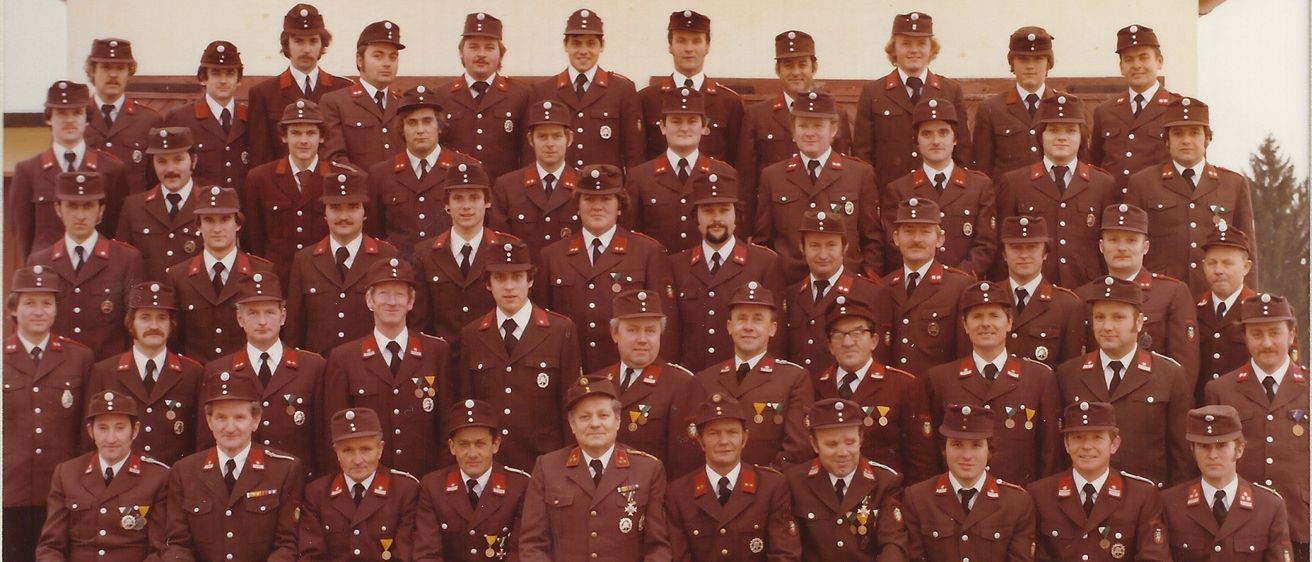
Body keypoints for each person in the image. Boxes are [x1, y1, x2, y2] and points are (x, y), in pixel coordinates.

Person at [535, 164, 676, 373]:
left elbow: (664, 325)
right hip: (571, 373)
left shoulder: (647, 251)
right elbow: (543, 327)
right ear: (578, 205)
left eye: (606, 199)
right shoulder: (552, 256)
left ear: (620, 206)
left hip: (627, 374)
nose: (597, 207)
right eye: (589, 199)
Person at [457, 239, 583, 472]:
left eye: (517, 278)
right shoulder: (473, 334)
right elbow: (469, 405)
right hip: (492, 465)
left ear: (530, 281)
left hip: (545, 462)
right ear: (488, 284)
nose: (509, 287)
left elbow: (570, 405)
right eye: (500, 279)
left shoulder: (559, 330)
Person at [322, 258, 454, 477]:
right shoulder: (345, 358)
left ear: (411, 301)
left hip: (424, 480)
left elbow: (445, 426)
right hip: (368, 481)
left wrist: (437, 480)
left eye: (400, 294)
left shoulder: (436, 352)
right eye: (383, 294)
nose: (392, 302)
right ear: (369, 300)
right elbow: (335, 432)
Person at [1059, 276, 1194, 487]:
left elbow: (1181, 458)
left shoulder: (1169, 375)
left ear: (1139, 322)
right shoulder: (1069, 374)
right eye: (1100, 317)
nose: (1107, 326)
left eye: (1118, 318)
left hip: (1148, 502)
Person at [923, 281, 1062, 485]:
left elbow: (1050, 454)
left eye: (994, 316)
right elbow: (932, 451)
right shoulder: (940, 380)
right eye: (977, 317)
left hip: (1019, 503)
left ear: (1009, 323)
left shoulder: (1039, 378)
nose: (985, 324)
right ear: (964, 324)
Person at [518, 377, 672, 562]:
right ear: (572, 424)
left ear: (617, 420)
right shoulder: (548, 467)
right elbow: (533, 545)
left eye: (603, 415)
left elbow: (658, 548)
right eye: (584, 417)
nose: (594, 424)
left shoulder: (648, 469)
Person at [1203, 293, 1310, 559]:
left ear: (1291, 333)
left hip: (1300, 522)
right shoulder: (1220, 390)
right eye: (1256, 334)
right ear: (1245, 337)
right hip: (1241, 526)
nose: (1267, 343)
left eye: (1275, 333)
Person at [3, 266, 96, 561]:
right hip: (9, 491)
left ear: (57, 310)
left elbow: (85, 429)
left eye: (47, 302)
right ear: (14, 309)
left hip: (62, 493)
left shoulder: (79, 358)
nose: (39, 311)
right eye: (30, 303)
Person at [160, 371, 304, 562]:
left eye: (239, 417)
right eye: (221, 418)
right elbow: (177, 544)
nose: (230, 428)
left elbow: (287, 545)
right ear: (209, 421)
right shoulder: (185, 471)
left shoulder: (284, 469)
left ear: (255, 420)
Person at [1124, 96, 1258, 294]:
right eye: (1178, 134)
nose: (1186, 140)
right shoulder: (1143, 183)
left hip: (1215, 295)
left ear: (1207, 139)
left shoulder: (1233, 184)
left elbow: (1248, 250)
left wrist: (1249, 300)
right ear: (1167, 141)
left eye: (1194, 133)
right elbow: (1130, 246)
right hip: (1159, 296)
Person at [199, 271, 327, 473]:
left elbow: (322, 438)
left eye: (269, 312)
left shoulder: (313, 367)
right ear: (240, 318)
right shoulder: (219, 370)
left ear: (283, 316)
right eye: (252, 313)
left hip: (298, 482)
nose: (262, 321)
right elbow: (207, 442)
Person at [754, 90, 882, 283]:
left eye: (818, 125)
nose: (810, 133)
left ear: (833, 130)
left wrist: (866, 283)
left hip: (846, 283)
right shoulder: (773, 176)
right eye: (803, 125)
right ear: (793, 130)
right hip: (790, 284)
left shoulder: (859, 174)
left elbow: (871, 239)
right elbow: (763, 242)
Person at [994, 93, 1117, 289]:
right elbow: (1001, 246)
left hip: (1086, 288)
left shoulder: (1103, 184)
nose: (1062, 137)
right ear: (1040, 136)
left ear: (1082, 137)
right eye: (1053, 130)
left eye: (1070, 131)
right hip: (1032, 290)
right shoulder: (1015, 183)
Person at [1026, 401, 1170, 562]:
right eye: (1078, 438)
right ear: (1066, 444)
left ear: (1114, 444)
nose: (1087, 446)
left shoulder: (1141, 496)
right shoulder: (1040, 495)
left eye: (1097, 438)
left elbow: (1153, 557)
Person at [735, 30, 854, 225]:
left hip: (824, 220)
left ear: (814, 67)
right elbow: (746, 180)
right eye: (788, 65)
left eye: (802, 64)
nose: (796, 72)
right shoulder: (757, 115)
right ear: (777, 69)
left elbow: (841, 173)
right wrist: (746, 228)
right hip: (775, 219)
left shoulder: (836, 115)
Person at [1077, 203, 1200, 391]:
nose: (1121, 248)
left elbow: (1185, 368)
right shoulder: (1082, 296)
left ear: (1146, 247)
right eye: (1113, 240)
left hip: (1153, 402)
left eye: (1131, 240)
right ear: (1101, 246)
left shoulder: (1172, 293)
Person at [668, 171, 784, 371]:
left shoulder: (765, 263)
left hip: (746, 381)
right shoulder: (677, 265)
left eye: (724, 210)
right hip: (694, 379)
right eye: (708, 211)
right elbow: (671, 333)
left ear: (736, 215)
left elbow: (776, 334)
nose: (716, 219)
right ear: (696, 216)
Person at [666, 393, 803, 561]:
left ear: (744, 439)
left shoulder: (771, 487)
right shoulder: (679, 493)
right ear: (701, 441)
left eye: (732, 432)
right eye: (714, 434)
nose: (724, 441)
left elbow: (785, 554)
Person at [35, 391, 170, 562]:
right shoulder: (67, 473)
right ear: (90, 431)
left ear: (134, 430)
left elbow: (159, 550)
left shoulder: (157, 477)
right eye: (102, 428)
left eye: (120, 428)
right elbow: (50, 547)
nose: (111, 438)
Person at [815, 297, 938, 483]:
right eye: (839, 334)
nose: (848, 342)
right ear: (830, 345)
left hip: (885, 497)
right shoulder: (814, 385)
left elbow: (921, 461)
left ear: (874, 340)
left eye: (857, 332)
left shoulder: (903, 385)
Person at [589, 289, 706, 479]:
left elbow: (686, 465)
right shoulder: (597, 382)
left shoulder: (682, 384)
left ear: (660, 334)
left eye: (650, 330)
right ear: (615, 334)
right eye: (633, 330)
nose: (642, 339)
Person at [25, 171, 143, 359]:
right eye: (72, 206)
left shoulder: (126, 259)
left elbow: (135, 327)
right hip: (57, 372)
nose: (80, 215)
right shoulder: (40, 261)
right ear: (58, 209)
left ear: (101, 211)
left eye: (88, 206)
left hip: (106, 375)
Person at [86, 282, 205, 465]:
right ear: (130, 322)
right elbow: (89, 442)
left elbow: (199, 440)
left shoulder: (192, 373)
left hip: (173, 480)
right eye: (145, 318)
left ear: (172, 323)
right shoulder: (104, 372)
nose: (154, 325)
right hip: (122, 481)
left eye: (162, 318)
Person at [8, 80, 129, 261]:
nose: (70, 120)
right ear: (49, 118)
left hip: (96, 270)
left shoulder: (111, 169)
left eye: (77, 113)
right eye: (61, 113)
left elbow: (113, 228)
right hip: (47, 274)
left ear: (87, 119)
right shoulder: (28, 171)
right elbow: (23, 234)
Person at [900, 404, 1037, 561]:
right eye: (957, 445)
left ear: (989, 450)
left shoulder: (1016, 503)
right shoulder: (918, 499)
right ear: (944, 449)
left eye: (976, 445)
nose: (967, 455)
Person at [284, 169, 399, 355]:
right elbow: (294, 329)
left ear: (364, 212)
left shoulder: (386, 256)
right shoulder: (305, 260)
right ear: (325, 213)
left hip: (370, 367)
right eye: (335, 208)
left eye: (352, 207)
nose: (344, 216)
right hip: (321, 369)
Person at [1161, 405, 1296, 561]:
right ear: (1193, 450)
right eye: (1204, 446)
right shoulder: (1170, 504)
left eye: (1221, 446)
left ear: (1239, 449)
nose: (1212, 455)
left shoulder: (1269, 506)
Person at [853, 11, 970, 189]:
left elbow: (962, 150)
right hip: (890, 194)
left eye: (921, 44)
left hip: (938, 194)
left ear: (932, 49)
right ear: (894, 49)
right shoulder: (873, 92)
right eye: (905, 44)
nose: (914, 50)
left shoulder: (950, 90)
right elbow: (863, 154)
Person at [881, 98, 995, 277]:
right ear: (916, 142)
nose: (935, 141)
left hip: (965, 286)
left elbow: (985, 246)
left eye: (943, 133)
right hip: (918, 286)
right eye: (927, 134)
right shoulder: (898, 190)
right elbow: (894, 246)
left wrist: (955, 281)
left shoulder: (979, 186)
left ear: (955, 139)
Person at [785, 398, 909, 561]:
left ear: (861, 439)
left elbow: (893, 545)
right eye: (832, 444)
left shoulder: (886, 482)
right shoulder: (794, 481)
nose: (843, 452)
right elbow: (788, 549)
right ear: (814, 444)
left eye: (850, 442)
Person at [366, 84, 482, 259]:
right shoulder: (381, 174)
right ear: (402, 129)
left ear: (440, 126)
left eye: (427, 121)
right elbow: (374, 231)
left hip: (447, 268)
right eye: (412, 123)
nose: (420, 130)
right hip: (399, 272)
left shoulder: (464, 168)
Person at [411, 162, 518, 348]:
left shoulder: (508, 249)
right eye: (458, 198)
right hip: (443, 362)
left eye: (474, 198)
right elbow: (420, 321)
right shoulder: (425, 253)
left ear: (487, 202)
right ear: (447, 205)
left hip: (493, 358)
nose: (466, 206)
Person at [165, 186, 273, 363]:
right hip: (197, 377)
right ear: (198, 225)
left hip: (244, 375)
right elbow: (175, 339)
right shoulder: (179, 276)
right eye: (208, 220)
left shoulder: (260, 271)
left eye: (225, 219)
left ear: (237, 223)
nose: (217, 228)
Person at [297, 407, 421, 562]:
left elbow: (405, 555)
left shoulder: (404, 489)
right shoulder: (317, 493)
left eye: (366, 449)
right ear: (336, 451)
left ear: (380, 449)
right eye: (347, 451)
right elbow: (311, 555)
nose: (357, 460)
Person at [414, 399, 532, 562]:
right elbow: (426, 554)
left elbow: (521, 552)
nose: (472, 453)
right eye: (463, 445)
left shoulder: (519, 486)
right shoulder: (433, 486)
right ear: (452, 446)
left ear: (495, 444)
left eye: (480, 444)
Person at [624, 87, 737, 254]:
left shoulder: (724, 173)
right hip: (657, 270)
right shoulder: (640, 176)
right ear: (662, 126)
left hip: (705, 274)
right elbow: (630, 235)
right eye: (676, 121)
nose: (684, 128)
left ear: (704, 127)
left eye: (692, 121)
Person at [529, 8, 644, 169]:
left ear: (601, 45)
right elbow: (530, 154)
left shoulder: (622, 90)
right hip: (558, 191)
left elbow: (634, 154)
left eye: (591, 43)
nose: (583, 51)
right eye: (576, 43)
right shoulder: (543, 91)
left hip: (605, 191)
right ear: (565, 45)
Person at [783, 210, 892, 372]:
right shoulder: (790, 296)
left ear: (845, 247)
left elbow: (880, 358)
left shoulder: (870, 294)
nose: (823, 255)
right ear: (802, 247)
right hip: (799, 393)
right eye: (814, 245)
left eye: (831, 245)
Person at [242, 99, 335, 284]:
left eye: (310, 133)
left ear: (322, 137)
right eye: (295, 133)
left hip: (324, 278)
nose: (303, 140)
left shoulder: (336, 177)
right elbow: (252, 238)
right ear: (284, 136)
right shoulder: (260, 178)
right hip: (277, 279)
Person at [432, 12, 532, 180]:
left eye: (489, 47)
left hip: (503, 194)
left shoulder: (521, 95)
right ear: (461, 52)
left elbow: (528, 153)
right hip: (456, 193)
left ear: (501, 53)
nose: (481, 54)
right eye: (473, 47)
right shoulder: (441, 96)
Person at [246, 3, 348, 165]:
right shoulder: (264, 94)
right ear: (287, 44)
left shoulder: (343, 89)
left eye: (313, 41)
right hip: (282, 186)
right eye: (299, 41)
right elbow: (260, 158)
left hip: (333, 186)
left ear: (322, 44)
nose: (306, 49)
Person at [638, 9, 744, 164]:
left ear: (707, 46)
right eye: (681, 41)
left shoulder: (729, 101)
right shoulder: (646, 99)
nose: (689, 48)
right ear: (670, 46)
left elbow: (737, 161)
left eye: (696, 41)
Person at [883, 198, 974, 375]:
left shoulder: (959, 287)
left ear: (940, 239)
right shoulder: (882, 287)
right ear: (896, 238)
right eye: (908, 232)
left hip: (938, 392)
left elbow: (965, 354)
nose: (916, 239)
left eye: (925, 232)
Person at [1089, 24, 1182, 192]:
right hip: (1115, 208)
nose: (1136, 65)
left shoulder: (1176, 108)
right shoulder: (1104, 111)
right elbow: (1095, 164)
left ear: (1159, 62)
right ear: (1121, 67)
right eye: (1129, 60)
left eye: (1144, 57)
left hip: (1158, 206)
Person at [487, 99, 582, 254]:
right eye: (542, 137)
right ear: (531, 139)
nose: (550, 144)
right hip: (523, 275)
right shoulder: (507, 186)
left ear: (569, 139)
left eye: (557, 136)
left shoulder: (583, 185)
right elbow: (500, 245)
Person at [114, 126, 205, 282]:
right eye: (161, 161)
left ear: (194, 161)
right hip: (148, 304)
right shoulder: (134, 207)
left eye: (178, 160)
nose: (170, 169)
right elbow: (122, 266)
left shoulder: (208, 204)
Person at [993, 216, 1086, 370]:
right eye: (1015, 248)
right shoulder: (991, 299)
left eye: (1032, 247)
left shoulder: (1067, 306)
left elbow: (1069, 371)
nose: (1024, 255)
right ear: (1004, 253)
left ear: (1045, 253)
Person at [164, 39, 251, 195]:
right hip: (199, 212)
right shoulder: (181, 118)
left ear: (239, 80)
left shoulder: (250, 118)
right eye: (216, 74)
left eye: (230, 74)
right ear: (203, 78)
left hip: (242, 211)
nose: (223, 81)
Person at [971, 26, 1057, 181]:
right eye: (1023, 59)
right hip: (1007, 200)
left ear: (1048, 64)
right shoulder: (992, 109)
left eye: (1038, 59)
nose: (1030, 66)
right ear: (1012, 63)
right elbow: (982, 170)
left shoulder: (1064, 106)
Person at [320, 20, 405, 169]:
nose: (387, 63)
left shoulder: (404, 105)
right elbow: (334, 158)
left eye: (393, 57)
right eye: (378, 56)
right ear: (360, 60)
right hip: (356, 189)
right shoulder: (336, 102)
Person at [83, 37, 164, 192]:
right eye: (106, 67)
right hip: (87, 213)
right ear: (93, 71)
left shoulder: (149, 120)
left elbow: (155, 181)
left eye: (120, 68)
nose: (113, 75)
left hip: (132, 214)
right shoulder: (75, 119)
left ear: (129, 73)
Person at [1196, 225, 1256, 392]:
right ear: (1203, 265)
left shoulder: (1259, 310)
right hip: (1201, 409)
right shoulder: (1191, 308)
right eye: (1212, 263)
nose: (1218, 270)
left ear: (1246, 267)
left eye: (1227, 263)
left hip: (1245, 408)